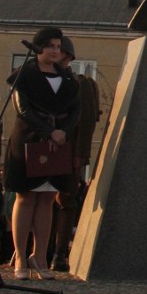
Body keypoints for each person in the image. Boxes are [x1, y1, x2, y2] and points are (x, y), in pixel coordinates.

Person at [4, 27, 79, 280]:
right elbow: (23, 109)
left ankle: (40, 256)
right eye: (51, 46)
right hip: (29, 140)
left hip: (56, 143)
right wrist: (48, 131)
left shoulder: (68, 78)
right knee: (26, 198)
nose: (56, 51)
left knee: (47, 199)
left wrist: (62, 133)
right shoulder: (25, 74)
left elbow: (75, 111)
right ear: (39, 48)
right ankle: (21, 257)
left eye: (59, 46)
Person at [49, 36, 100, 272]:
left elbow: (87, 120)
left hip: (68, 151)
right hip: (43, 148)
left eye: (58, 52)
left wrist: (80, 155)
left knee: (65, 201)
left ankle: (59, 254)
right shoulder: (41, 79)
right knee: (38, 200)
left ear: (68, 57)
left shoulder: (81, 84)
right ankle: (37, 250)